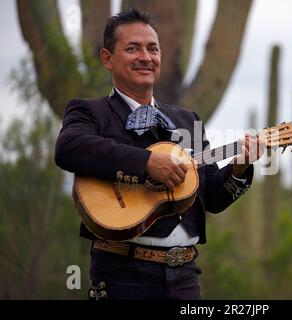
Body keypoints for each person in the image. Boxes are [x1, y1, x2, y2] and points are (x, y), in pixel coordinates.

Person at [55, 8, 262, 300]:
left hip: (186, 276)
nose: (146, 57)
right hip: (122, 274)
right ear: (107, 58)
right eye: (132, 48)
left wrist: (239, 170)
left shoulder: (188, 120)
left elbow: (212, 197)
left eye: (153, 49)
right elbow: (68, 148)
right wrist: (147, 163)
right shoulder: (90, 111)